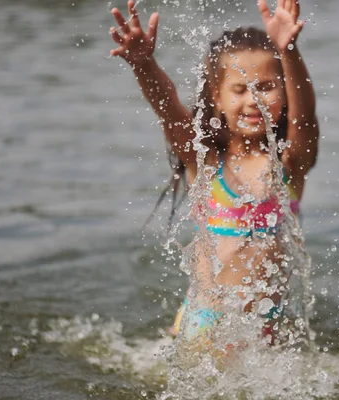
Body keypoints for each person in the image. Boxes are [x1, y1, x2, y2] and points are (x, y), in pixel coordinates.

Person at [109, 0, 318, 347]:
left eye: (266, 86)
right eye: (239, 89)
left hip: (268, 328)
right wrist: (144, 66)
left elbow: (306, 121)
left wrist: (289, 52)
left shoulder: (288, 165)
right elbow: (170, 111)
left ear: (285, 92)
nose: (253, 100)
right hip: (202, 322)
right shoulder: (205, 162)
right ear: (216, 98)